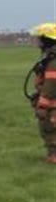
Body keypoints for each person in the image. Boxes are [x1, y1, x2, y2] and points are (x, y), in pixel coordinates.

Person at [29, 22, 56, 163]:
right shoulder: (49, 58)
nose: (37, 41)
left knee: (49, 129)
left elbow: (51, 85)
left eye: (40, 38)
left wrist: (42, 105)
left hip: (52, 104)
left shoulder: (53, 61)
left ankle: (54, 156)